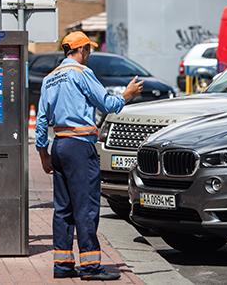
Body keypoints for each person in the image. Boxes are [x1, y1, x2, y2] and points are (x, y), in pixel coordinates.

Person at [35, 31, 144, 281]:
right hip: (80, 147)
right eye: (89, 50)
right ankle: (91, 266)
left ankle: (62, 264)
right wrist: (127, 95)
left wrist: (44, 154)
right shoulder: (82, 73)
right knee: (86, 208)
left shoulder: (49, 79)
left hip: (59, 146)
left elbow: (41, 121)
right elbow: (107, 103)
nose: (90, 54)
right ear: (81, 49)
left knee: (63, 209)